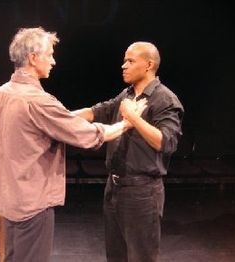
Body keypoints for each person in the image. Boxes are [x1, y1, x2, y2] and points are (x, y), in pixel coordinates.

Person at [0, 27, 133, 262]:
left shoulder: (0, 94)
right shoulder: (38, 101)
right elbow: (86, 135)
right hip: (31, 204)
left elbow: (40, 124)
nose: (53, 61)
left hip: (6, 199)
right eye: (50, 54)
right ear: (33, 57)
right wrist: (127, 123)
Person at [73, 41, 184, 262]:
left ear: (149, 65)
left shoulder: (165, 99)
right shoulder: (127, 94)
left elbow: (166, 142)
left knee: (140, 256)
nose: (123, 65)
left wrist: (133, 118)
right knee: (116, 255)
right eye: (124, 60)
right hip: (114, 187)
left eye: (130, 61)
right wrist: (56, 117)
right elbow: (97, 111)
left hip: (142, 192)